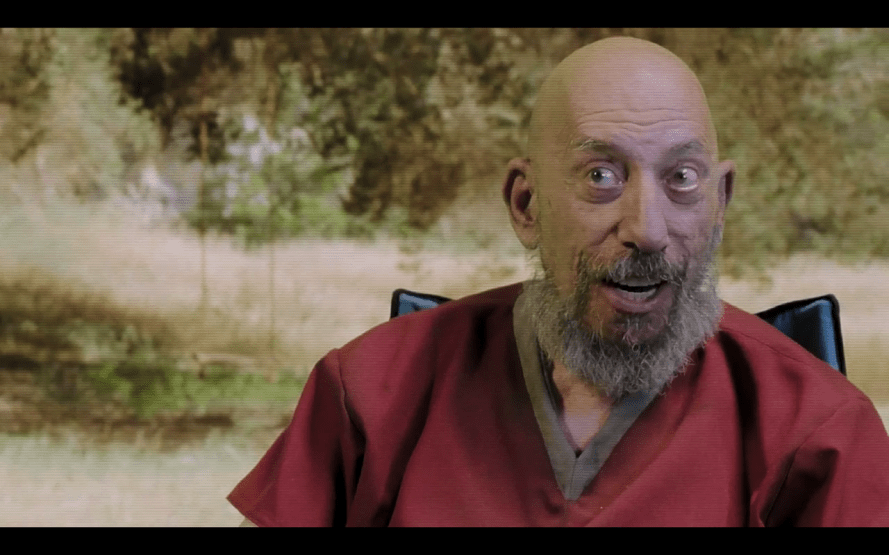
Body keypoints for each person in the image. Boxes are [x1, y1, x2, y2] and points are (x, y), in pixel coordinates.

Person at [228, 36, 889, 526]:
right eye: (601, 175)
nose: (646, 229)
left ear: (719, 203)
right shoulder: (371, 395)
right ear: (526, 204)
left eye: (682, 179)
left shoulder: (816, 431)